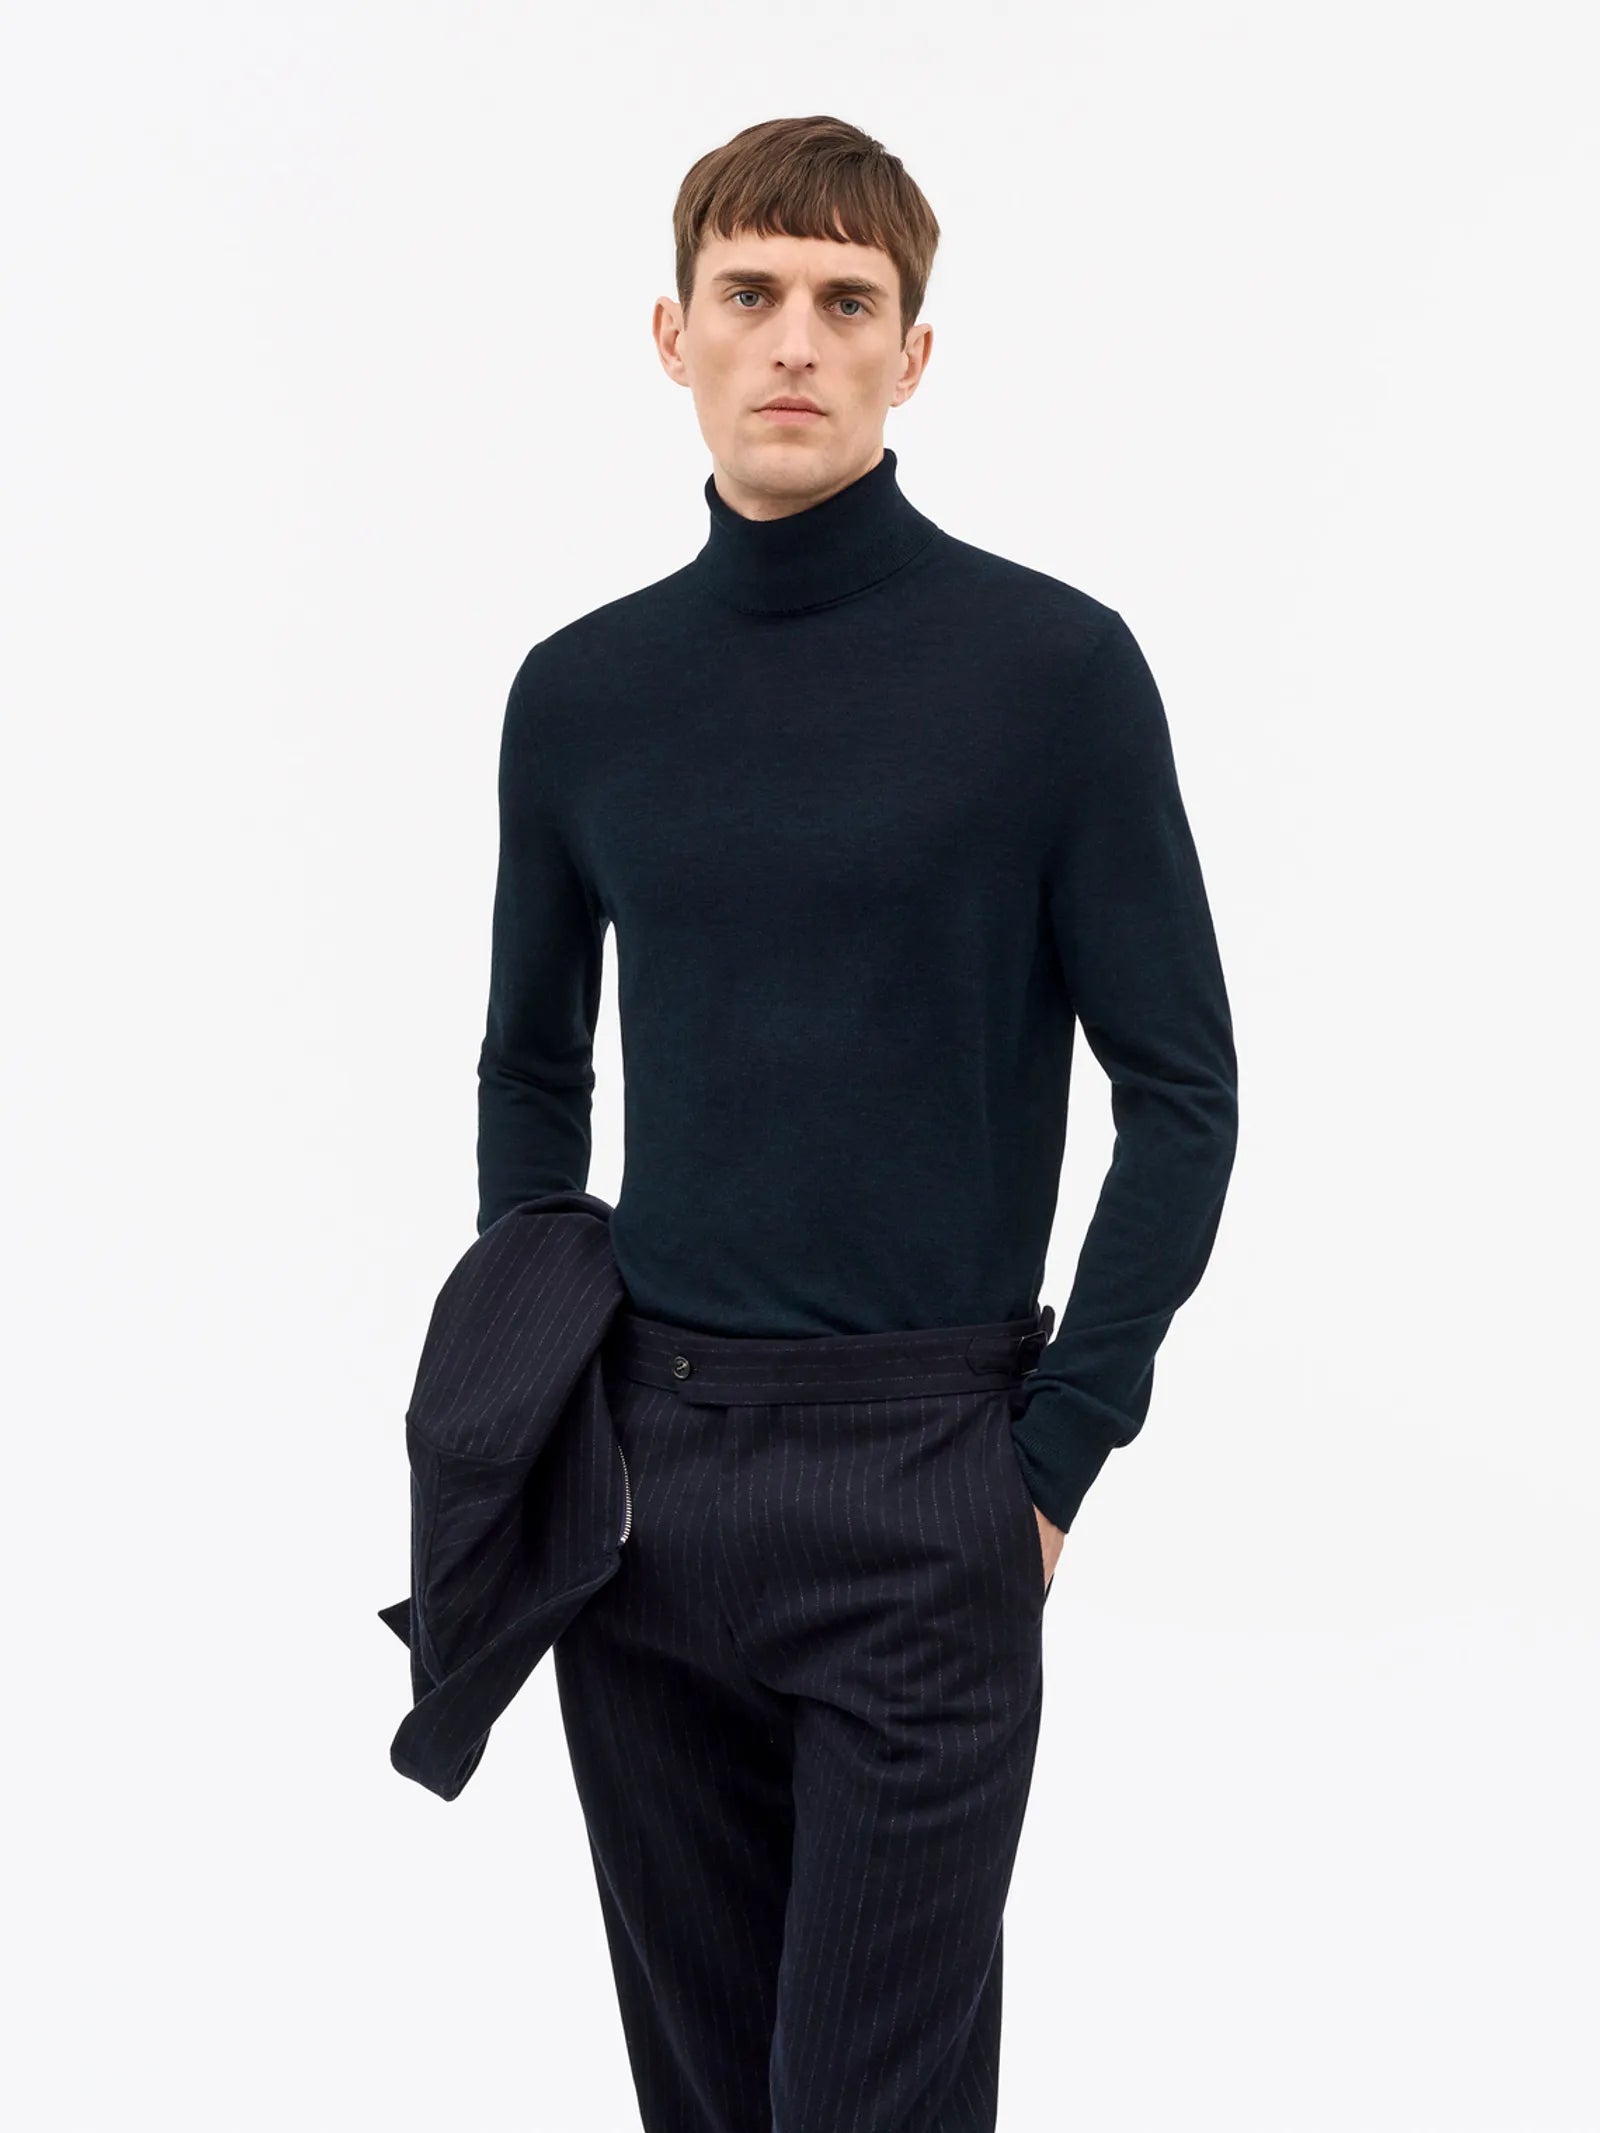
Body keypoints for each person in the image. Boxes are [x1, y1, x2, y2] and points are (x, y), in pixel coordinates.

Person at [475, 113, 1238, 2133]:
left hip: (929, 1480)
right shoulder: (580, 694)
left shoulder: (1052, 674)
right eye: (749, 293)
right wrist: (538, 1404)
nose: (793, 340)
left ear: (914, 352)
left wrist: (1051, 1457)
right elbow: (531, 1066)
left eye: (844, 299)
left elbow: (1180, 1090)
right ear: (672, 334)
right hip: (642, 1489)